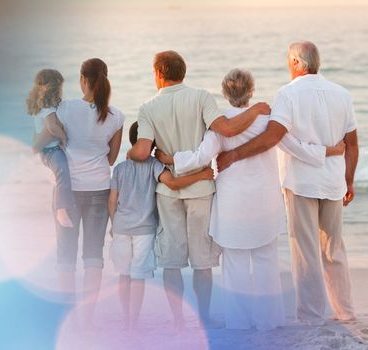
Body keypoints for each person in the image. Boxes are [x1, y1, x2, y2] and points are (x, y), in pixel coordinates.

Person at [159, 68, 345, 330]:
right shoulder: (267, 120)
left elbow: (200, 157)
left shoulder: (220, 125)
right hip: (264, 203)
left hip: (233, 204)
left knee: (234, 264)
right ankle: (267, 321)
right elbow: (294, 147)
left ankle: (238, 322)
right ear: (251, 92)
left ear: (224, 93)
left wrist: (171, 159)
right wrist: (330, 151)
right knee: (265, 261)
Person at [215, 41, 359, 325]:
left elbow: (274, 136)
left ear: (295, 62)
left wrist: (234, 154)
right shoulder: (342, 94)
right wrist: (349, 181)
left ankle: (312, 315)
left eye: (287, 61)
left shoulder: (288, 94)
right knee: (334, 250)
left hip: (301, 183)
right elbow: (352, 144)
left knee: (305, 252)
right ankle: (345, 313)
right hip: (332, 183)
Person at [127, 50, 271, 329]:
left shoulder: (147, 108)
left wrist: (129, 155)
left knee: (171, 260)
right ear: (183, 71)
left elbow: (143, 150)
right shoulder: (202, 97)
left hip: (168, 192)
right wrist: (254, 110)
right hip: (202, 189)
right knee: (201, 260)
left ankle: (180, 320)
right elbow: (226, 130)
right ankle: (204, 317)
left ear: (158, 73)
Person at [108, 122, 214, 330]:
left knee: (124, 274)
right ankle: (134, 320)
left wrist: (113, 222)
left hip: (121, 228)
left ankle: (127, 319)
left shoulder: (120, 168)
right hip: (144, 230)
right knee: (138, 277)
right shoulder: (154, 166)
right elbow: (173, 183)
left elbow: (112, 200)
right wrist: (202, 175)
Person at [44, 58, 123, 327]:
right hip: (99, 189)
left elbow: (48, 140)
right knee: (93, 255)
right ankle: (87, 317)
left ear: (82, 79)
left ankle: (69, 315)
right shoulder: (116, 116)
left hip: (68, 191)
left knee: (65, 255)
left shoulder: (63, 109)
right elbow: (112, 158)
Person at [28, 69, 76, 229]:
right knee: (63, 174)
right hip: (51, 151)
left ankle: (60, 209)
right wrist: (63, 136)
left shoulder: (41, 107)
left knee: (60, 178)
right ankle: (61, 210)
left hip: (47, 151)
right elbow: (51, 127)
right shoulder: (48, 108)